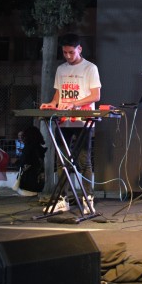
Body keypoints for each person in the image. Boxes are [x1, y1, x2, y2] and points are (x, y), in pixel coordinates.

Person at [40, 33, 101, 212]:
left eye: (71, 52)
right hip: (63, 121)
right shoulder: (61, 69)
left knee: (84, 161)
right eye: (65, 52)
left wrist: (75, 103)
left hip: (82, 121)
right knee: (62, 161)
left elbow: (96, 95)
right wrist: (51, 104)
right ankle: (63, 199)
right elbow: (58, 94)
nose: (68, 56)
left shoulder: (90, 68)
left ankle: (88, 199)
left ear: (79, 49)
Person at [13, 125, 46, 197]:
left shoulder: (28, 148)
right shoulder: (39, 148)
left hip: (27, 185)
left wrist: (16, 162)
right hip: (38, 184)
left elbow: (24, 163)